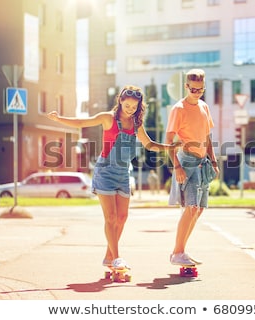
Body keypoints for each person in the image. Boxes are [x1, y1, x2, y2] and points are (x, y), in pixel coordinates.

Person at [47, 85, 179, 270]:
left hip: (124, 172)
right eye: (128, 106)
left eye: (134, 107)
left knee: (122, 217)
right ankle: (117, 257)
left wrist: (170, 148)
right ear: (121, 101)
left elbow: (148, 144)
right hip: (105, 172)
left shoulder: (136, 124)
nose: (130, 110)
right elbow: (81, 123)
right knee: (110, 217)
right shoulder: (107, 118)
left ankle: (109, 257)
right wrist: (58, 118)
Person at [165, 68, 220, 266]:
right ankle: (177, 252)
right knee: (191, 207)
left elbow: (207, 137)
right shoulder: (178, 109)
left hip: (203, 163)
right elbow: (168, 140)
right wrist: (177, 167)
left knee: (199, 210)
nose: (197, 92)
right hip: (187, 162)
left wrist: (213, 161)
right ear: (186, 87)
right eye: (193, 89)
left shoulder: (204, 107)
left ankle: (181, 251)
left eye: (200, 89)